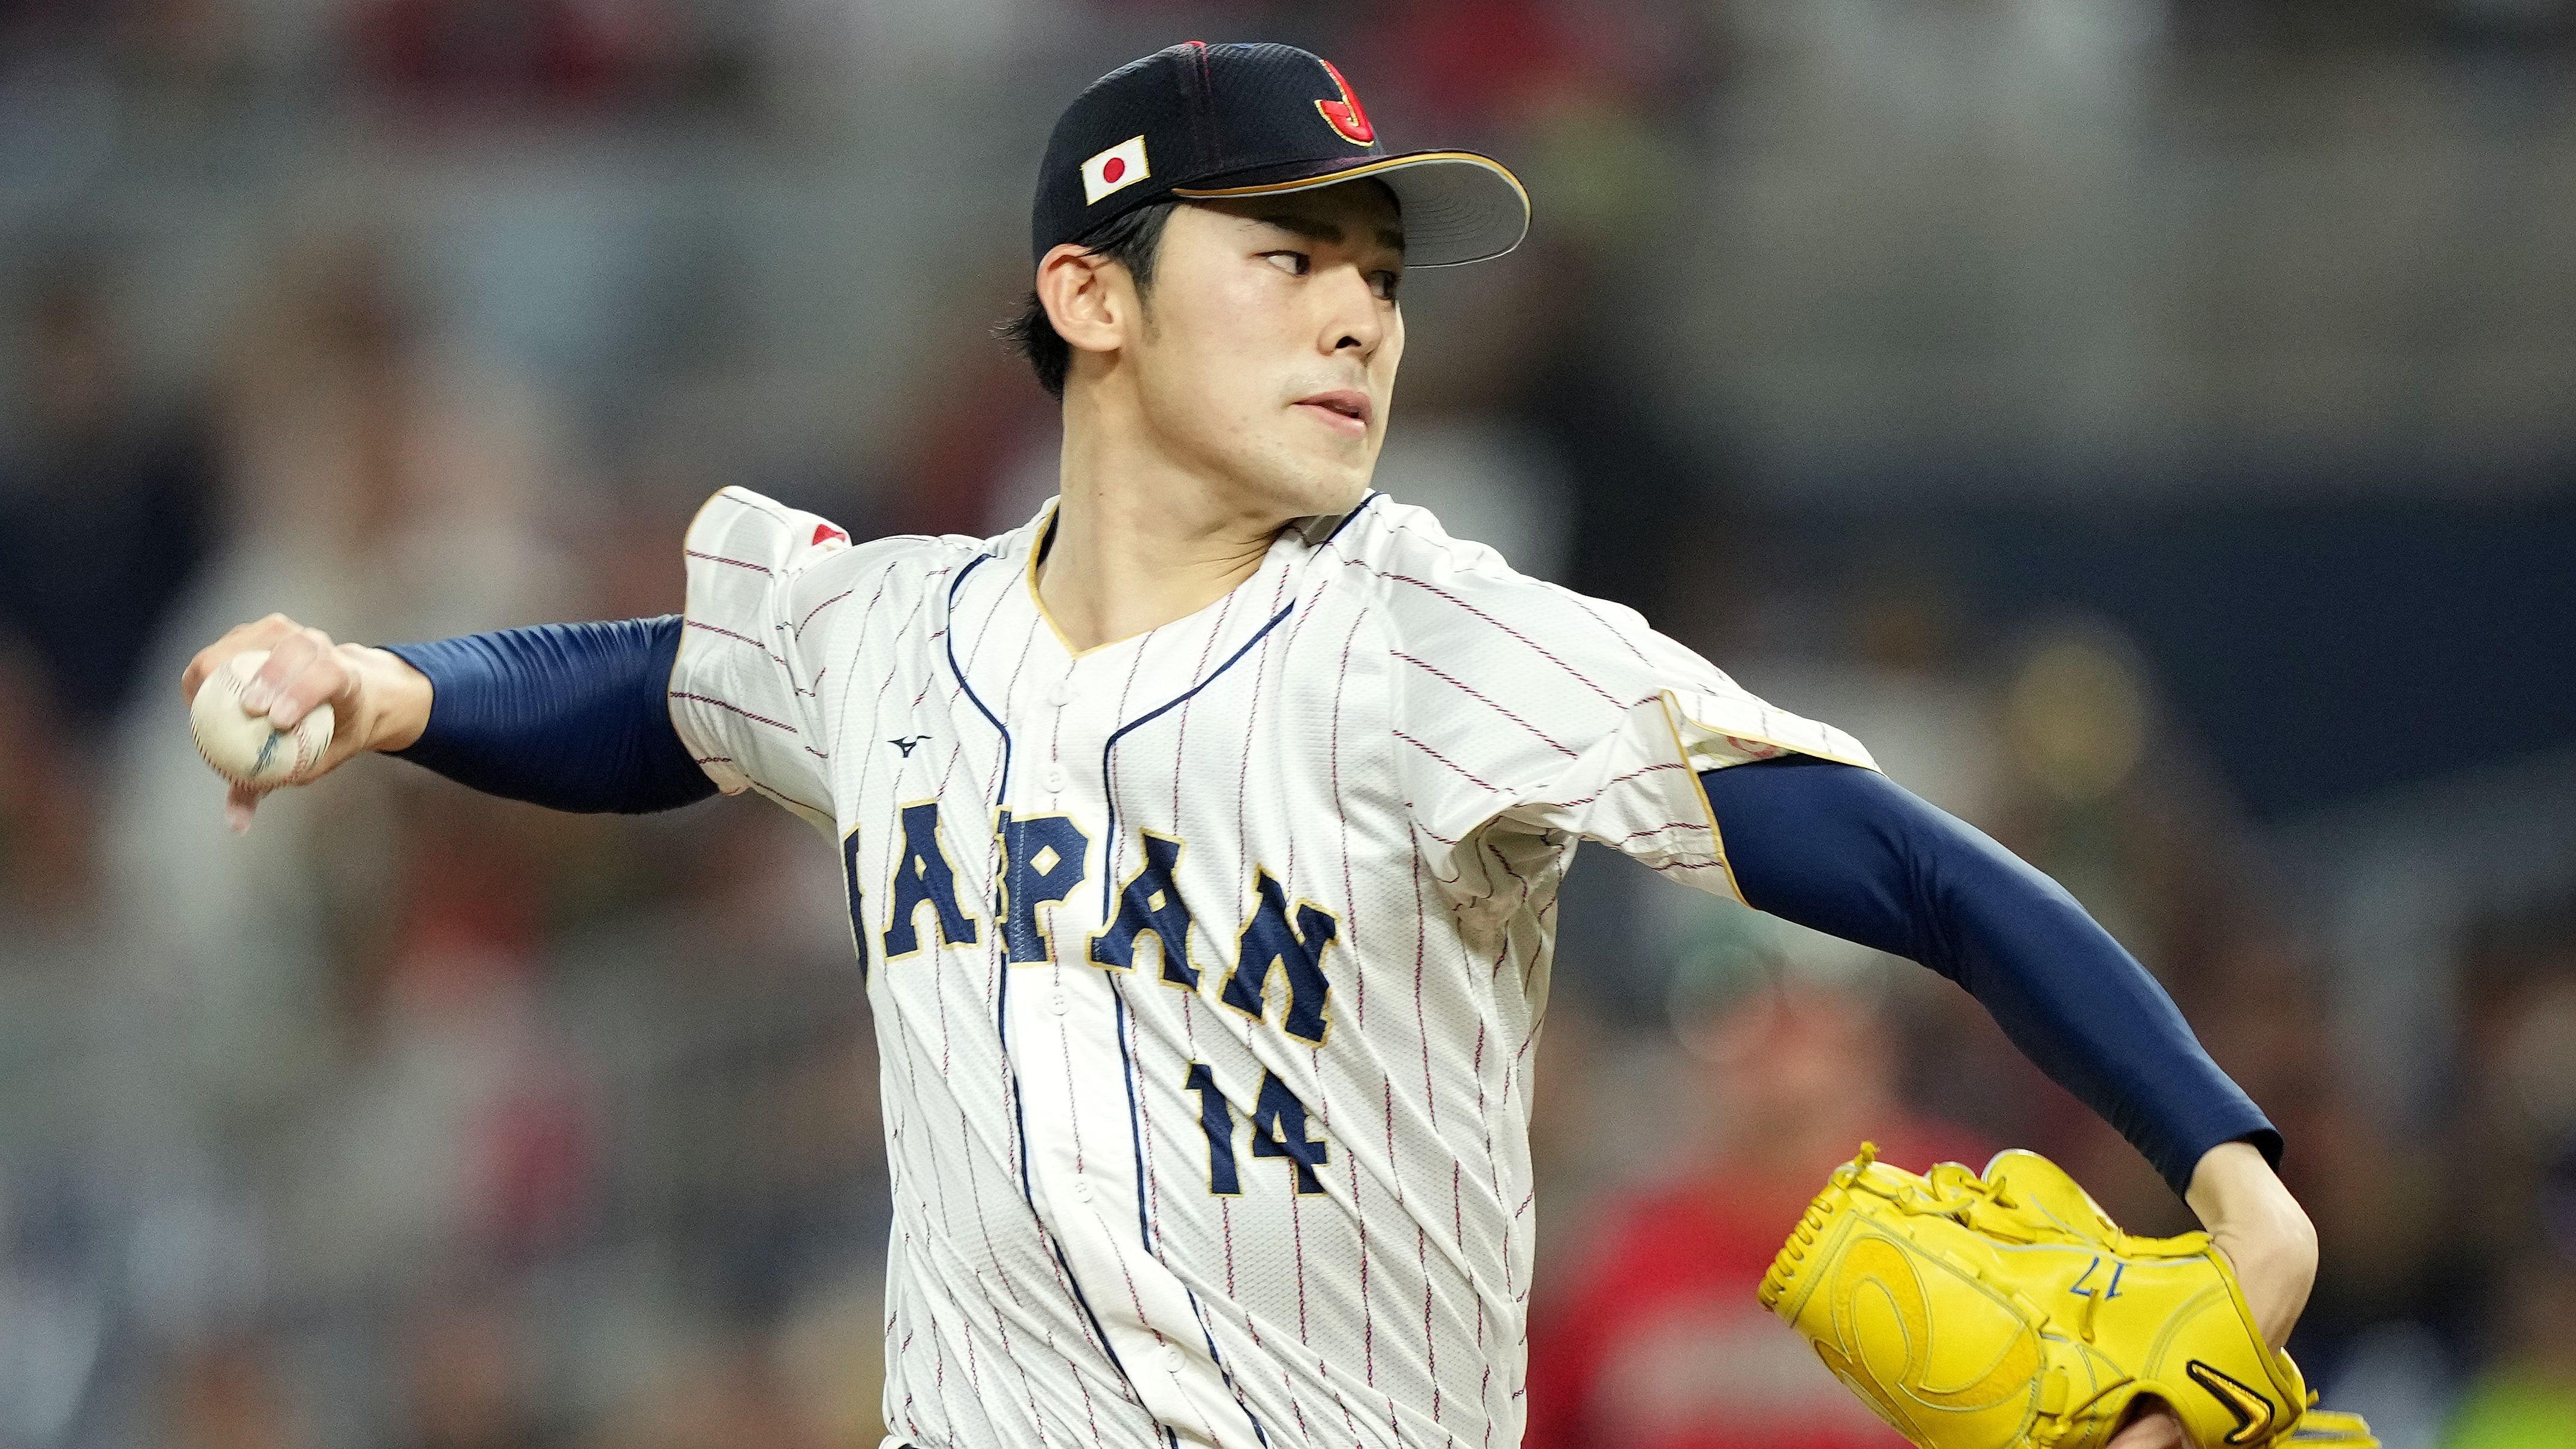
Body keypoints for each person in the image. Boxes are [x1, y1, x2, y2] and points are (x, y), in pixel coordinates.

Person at [179, 41, 2317, 1449]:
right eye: (1289, 255)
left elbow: (1900, 859)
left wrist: (2221, 1157)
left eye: (1378, 273)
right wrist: (393, 691)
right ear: (1092, 298)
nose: (1359, 314)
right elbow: (663, 690)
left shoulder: (1428, 641)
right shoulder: (891, 633)